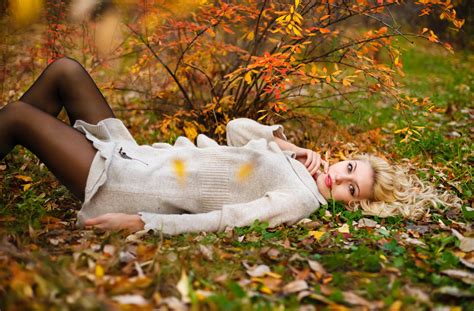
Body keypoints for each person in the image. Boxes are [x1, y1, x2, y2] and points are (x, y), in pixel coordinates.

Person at [0, 58, 457, 234]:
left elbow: (228, 218)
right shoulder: (299, 167)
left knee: (19, 117)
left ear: (352, 207)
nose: (337, 176)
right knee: (66, 71)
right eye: (349, 167)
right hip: (138, 154)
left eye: (349, 189)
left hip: (126, 183)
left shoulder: (299, 199)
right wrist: (288, 146)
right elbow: (237, 129)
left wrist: (141, 222)